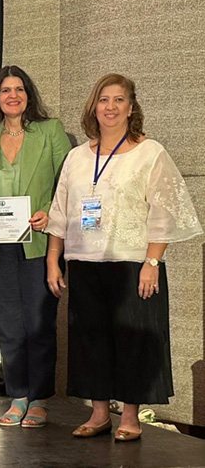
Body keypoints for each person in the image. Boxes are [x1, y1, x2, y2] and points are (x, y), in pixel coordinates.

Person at [46, 74, 201, 441]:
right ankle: (99, 414)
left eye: (119, 100)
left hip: (134, 263)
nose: (110, 107)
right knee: (91, 340)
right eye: (103, 99)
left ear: (132, 108)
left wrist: (152, 263)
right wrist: (54, 259)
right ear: (93, 107)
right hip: (84, 263)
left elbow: (164, 212)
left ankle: (130, 417)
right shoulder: (77, 157)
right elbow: (60, 213)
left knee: (134, 340)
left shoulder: (150, 152)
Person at [0, 66, 71, 427]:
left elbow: (65, 186)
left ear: (28, 95)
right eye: (5, 90)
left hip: (40, 244)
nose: (12, 95)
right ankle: (18, 395)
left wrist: (48, 213)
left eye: (19, 89)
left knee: (39, 324)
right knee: (8, 324)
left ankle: (38, 399)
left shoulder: (51, 131)